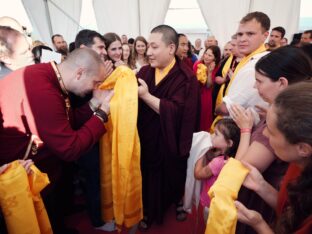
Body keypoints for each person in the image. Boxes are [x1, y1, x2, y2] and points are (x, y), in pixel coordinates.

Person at [0, 48, 114, 233]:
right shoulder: (42, 89)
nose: (95, 87)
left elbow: (67, 123)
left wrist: (94, 103)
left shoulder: (52, 77)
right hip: (16, 173)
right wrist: (101, 115)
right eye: (95, 82)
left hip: (40, 168)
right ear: (79, 73)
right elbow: (70, 149)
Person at [234, 46, 312, 234]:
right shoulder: (299, 164)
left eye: (271, 131)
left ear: (302, 148)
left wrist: (259, 224)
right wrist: (261, 185)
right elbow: (288, 204)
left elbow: (242, 165)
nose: (266, 136)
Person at [137, 24, 200, 230]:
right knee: (148, 175)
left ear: (171, 48)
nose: (148, 52)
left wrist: (146, 96)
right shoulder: (145, 72)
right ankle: (149, 209)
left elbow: (178, 111)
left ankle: (176, 200)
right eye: (148, 47)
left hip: (171, 139)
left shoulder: (186, 77)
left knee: (172, 175)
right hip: (147, 138)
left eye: (154, 47)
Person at [74, 29, 115, 232]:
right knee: (92, 176)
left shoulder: (93, 69)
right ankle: (97, 220)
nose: (105, 52)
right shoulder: (73, 73)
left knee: (98, 175)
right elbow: (73, 117)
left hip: (98, 131)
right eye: (100, 47)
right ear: (83, 48)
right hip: (82, 137)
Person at [215, 12, 270, 124]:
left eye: (250, 34)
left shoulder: (256, 64)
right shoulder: (251, 58)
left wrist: (216, 110)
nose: (242, 39)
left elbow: (227, 109)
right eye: (240, 34)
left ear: (265, 35)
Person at [194, 118, 245, 221]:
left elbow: (198, 174)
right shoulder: (230, 157)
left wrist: (201, 151)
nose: (211, 136)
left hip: (212, 205)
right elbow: (213, 156)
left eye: (216, 134)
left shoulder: (218, 162)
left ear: (229, 143)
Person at [193, 45, 221, 132]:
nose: (206, 57)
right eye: (206, 54)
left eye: (210, 55)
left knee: (204, 117)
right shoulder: (197, 64)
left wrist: (209, 72)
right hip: (195, 93)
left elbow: (208, 85)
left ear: (215, 58)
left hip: (206, 95)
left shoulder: (216, 68)